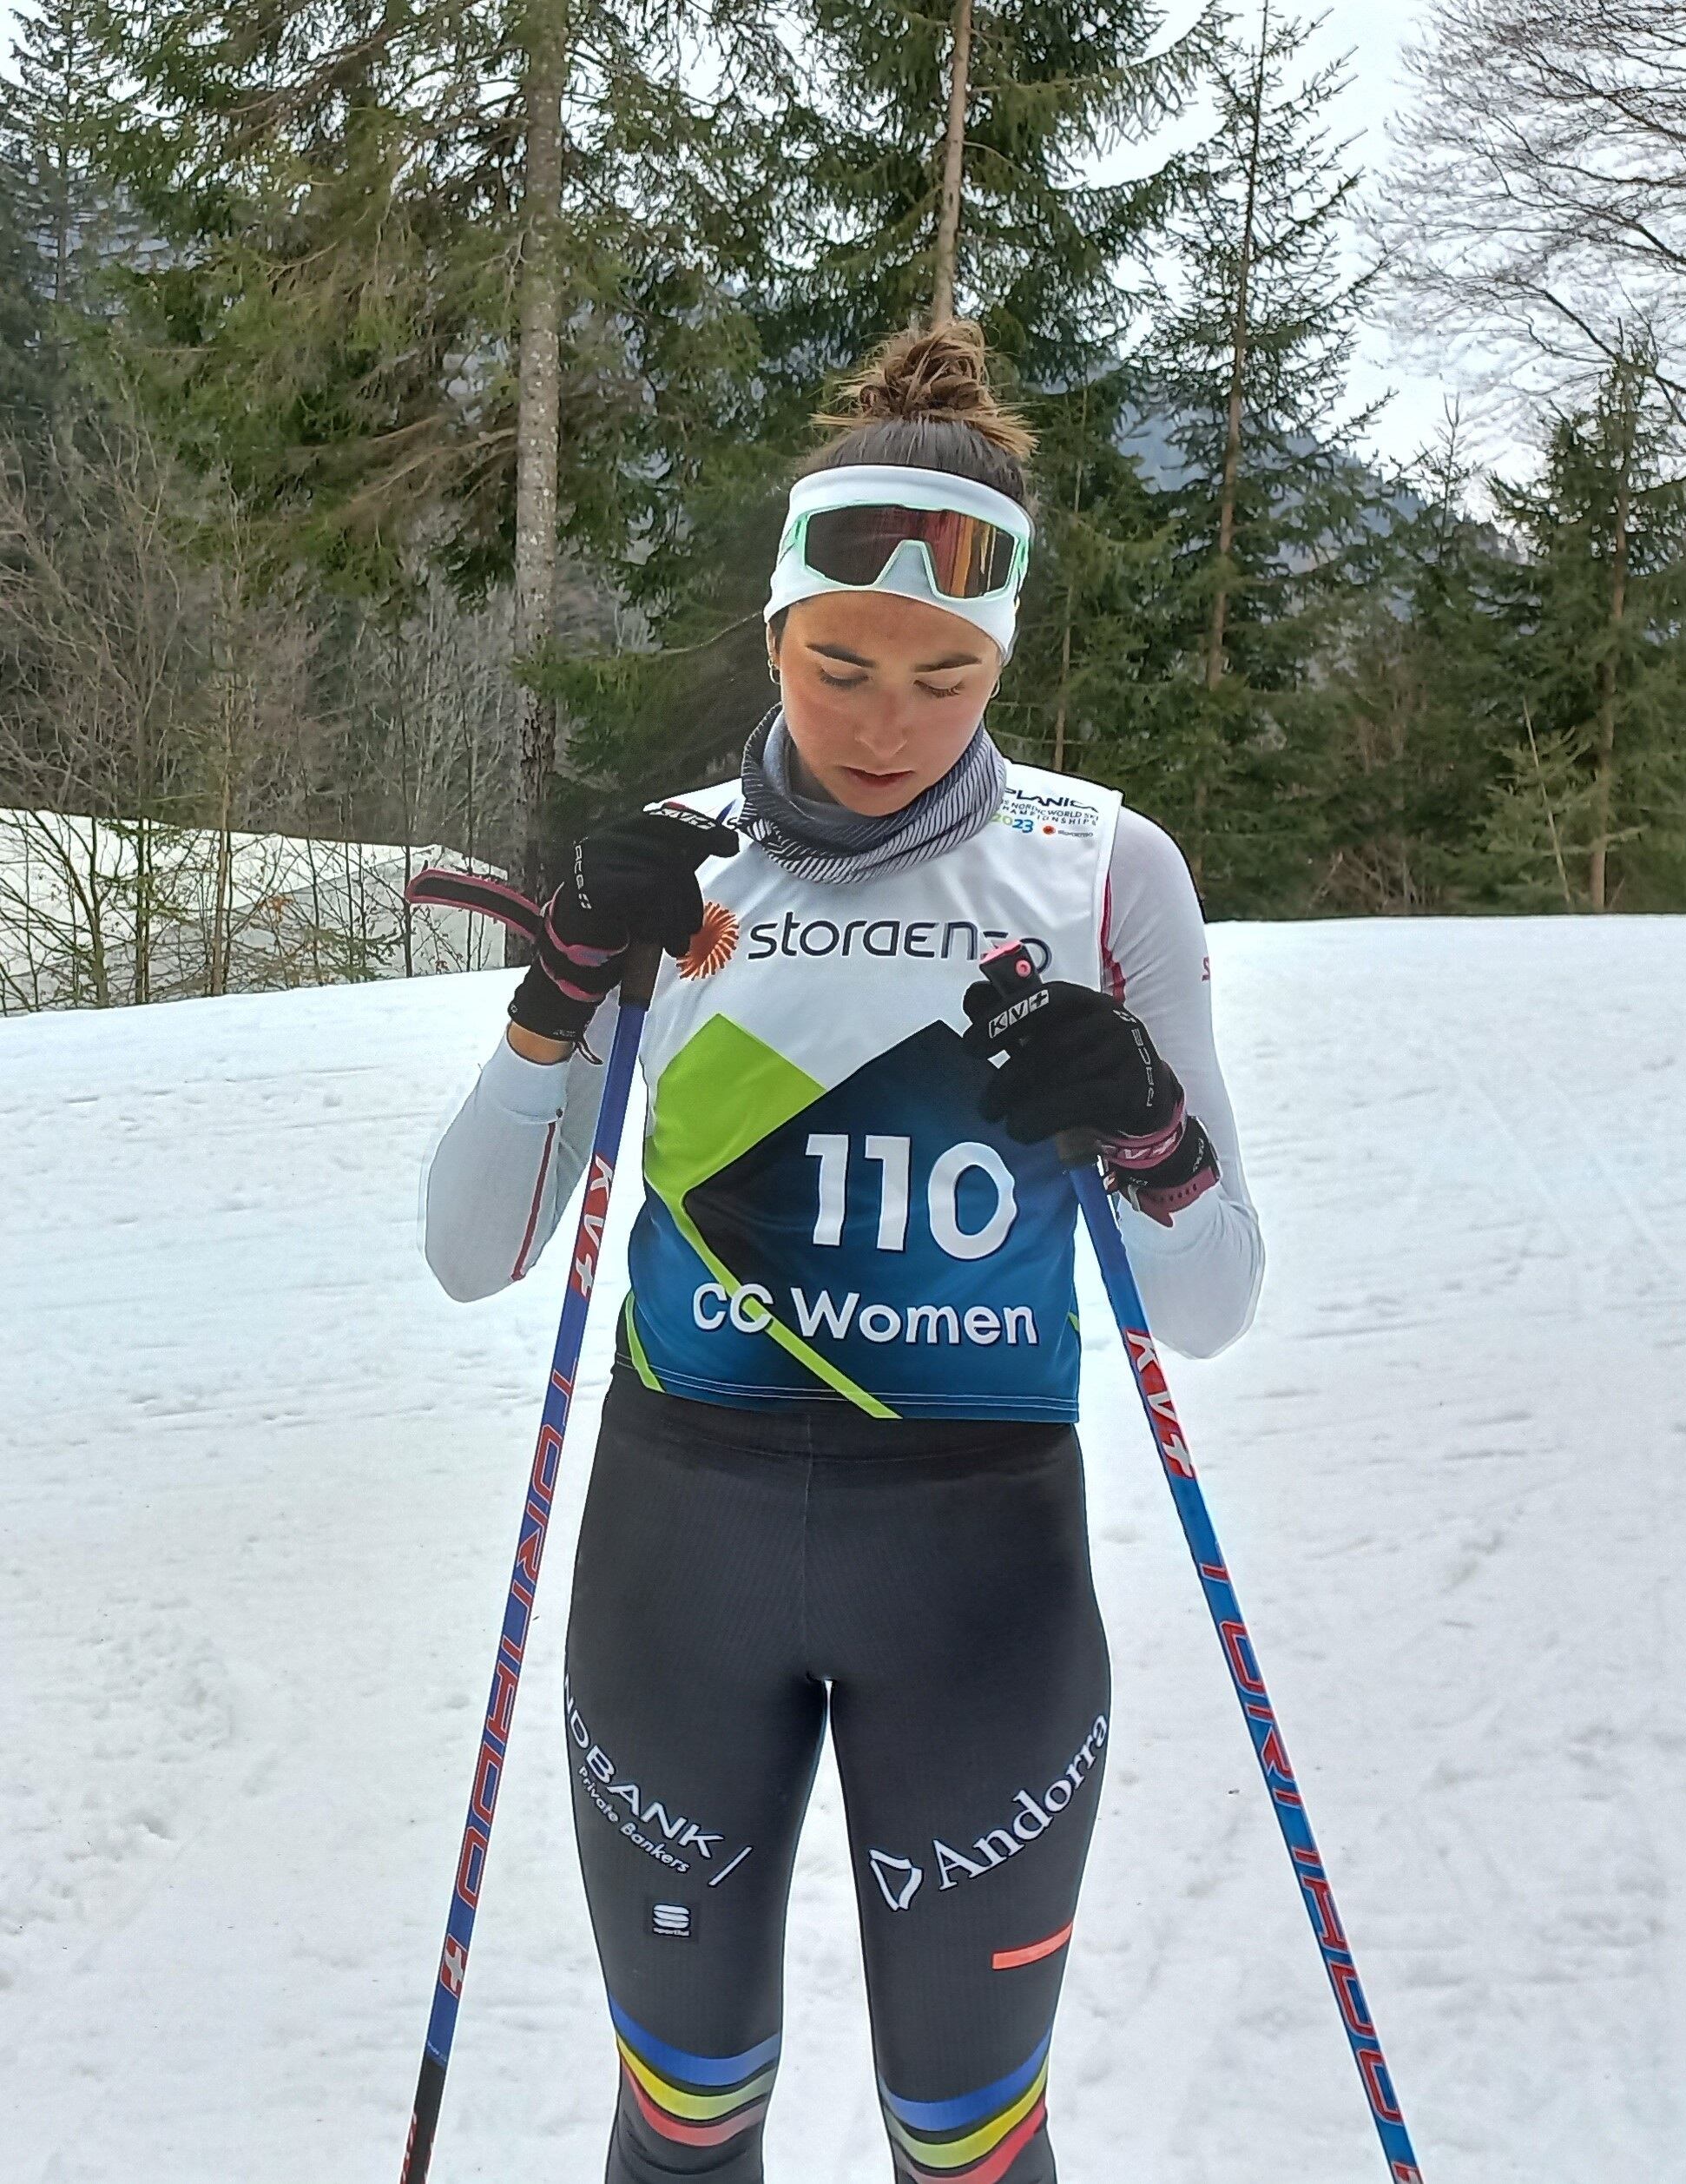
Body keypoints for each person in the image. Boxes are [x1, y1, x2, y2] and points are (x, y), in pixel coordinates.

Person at [421, 319, 1264, 2184]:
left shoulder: (1102, 868)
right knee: (683, 2116)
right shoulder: (678, 865)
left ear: (1004, 658)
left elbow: (1209, 1305)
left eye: (947, 677)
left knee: (968, 2142)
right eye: (840, 667)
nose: (889, 723)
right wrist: (557, 1000)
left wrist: (1147, 1128)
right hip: (682, 1555)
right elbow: (474, 1250)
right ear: (776, 632)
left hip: (979, 1574)